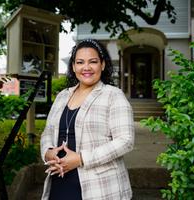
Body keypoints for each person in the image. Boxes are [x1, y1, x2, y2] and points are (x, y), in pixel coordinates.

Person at [40, 39, 135, 200]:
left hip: (100, 186)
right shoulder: (63, 96)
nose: (86, 67)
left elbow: (125, 141)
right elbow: (48, 132)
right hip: (60, 181)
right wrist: (48, 152)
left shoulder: (113, 95)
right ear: (73, 66)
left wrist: (81, 158)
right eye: (80, 62)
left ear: (102, 65)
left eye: (93, 62)